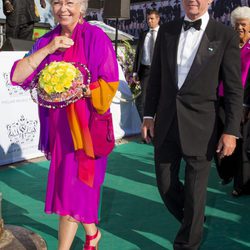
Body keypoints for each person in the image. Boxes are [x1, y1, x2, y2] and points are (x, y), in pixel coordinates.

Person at [10, 0, 119, 249]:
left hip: (87, 131)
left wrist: (82, 90)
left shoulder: (96, 37)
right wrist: (49, 49)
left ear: (82, 6)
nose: (63, 8)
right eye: (57, 2)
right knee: (72, 190)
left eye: (70, 2)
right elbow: (17, 76)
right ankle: (92, 233)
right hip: (59, 131)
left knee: (74, 191)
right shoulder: (47, 40)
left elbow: (109, 83)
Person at [141, 0, 243, 249]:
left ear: (210, 1)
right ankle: (193, 218)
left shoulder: (224, 35)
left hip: (201, 126)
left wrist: (231, 130)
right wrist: (148, 115)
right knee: (165, 185)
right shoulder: (167, 30)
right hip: (166, 123)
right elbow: (155, 78)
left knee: (196, 191)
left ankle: (187, 242)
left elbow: (233, 89)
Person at [216, 6, 250, 196]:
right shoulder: (228, 43)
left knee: (242, 142)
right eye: (236, 24)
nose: (239, 28)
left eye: (243, 24)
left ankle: (241, 184)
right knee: (218, 134)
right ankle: (226, 172)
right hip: (222, 96)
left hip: (244, 101)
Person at [133, 10, 160, 120]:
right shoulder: (144, 34)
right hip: (146, 71)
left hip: (160, 71)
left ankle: (158, 126)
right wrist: (135, 71)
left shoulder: (164, 33)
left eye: (152, 18)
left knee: (160, 99)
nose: (149, 21)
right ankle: (146, 128)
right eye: (148, 19)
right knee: (144, 100)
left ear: (158, 19)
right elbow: (138, 53)